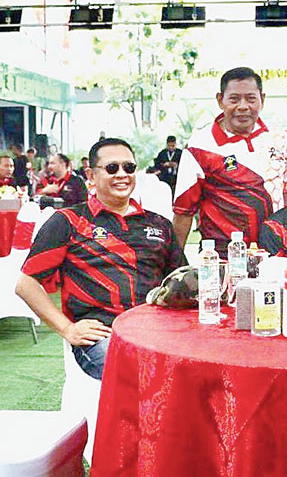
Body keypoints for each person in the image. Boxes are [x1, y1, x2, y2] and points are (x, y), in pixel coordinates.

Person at [16, 138, 186, 379]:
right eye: (111, 168)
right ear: (91, 175)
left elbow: (179, 281)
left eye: (129, 168)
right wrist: (67, 328)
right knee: (144, 373)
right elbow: (25, 283)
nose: (122, 175)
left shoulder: (160, 225)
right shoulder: (68, 221)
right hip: (104, 336)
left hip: (156, 331)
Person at [173, 67, 287, 257]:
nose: (243, 106)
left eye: (251, 98)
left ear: (262, 99)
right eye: (234, 99)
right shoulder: (199, 145)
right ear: (220, 100)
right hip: (222, 257)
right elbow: (184, 211)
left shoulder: (278, 137)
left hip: (274, 252)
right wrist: (173, 264)